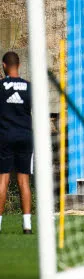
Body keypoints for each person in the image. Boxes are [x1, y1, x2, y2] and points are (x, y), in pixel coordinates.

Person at [0, 51, 33, 234]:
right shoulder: (29, 87)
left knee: (3, 179)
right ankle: (27, 225)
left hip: (5, 136)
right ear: (19, 65)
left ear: (4, 65)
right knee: (23, 180)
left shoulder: (1, 86)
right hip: (25, 137)